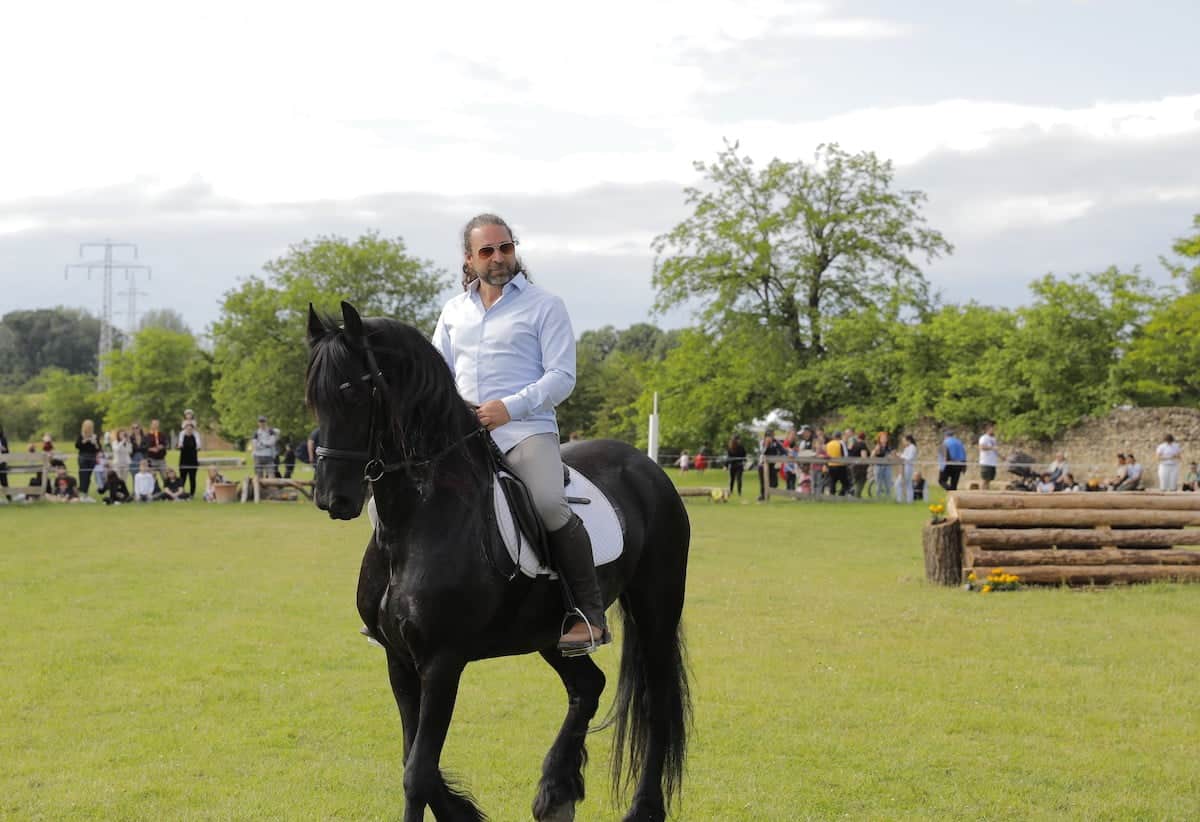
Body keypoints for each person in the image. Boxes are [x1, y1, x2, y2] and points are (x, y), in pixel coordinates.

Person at [432, 213, 606, 655]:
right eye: (487, 250)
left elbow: (562, 377)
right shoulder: (453, 311)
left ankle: (588, 614)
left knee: (549, 504)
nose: (498, 257)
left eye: (505, 247)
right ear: (469, 259)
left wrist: (508, 408)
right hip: (463, 434)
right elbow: (438, 375)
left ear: (515, 250)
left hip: (525, 430)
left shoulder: (545, 305)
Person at [75, 419, 102, 497]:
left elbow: (98, 448)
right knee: (83, 475)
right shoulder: (81, 435)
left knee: (88, 476)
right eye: (88, 426)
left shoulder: (95, 436)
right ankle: (82, 492)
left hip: (92, 458)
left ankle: (85, 492)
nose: (89, 428)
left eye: (90, 427)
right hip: (83, 457)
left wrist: (95, 443)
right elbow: (77, 445)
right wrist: (85, 440)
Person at [177, 420, 201, 497]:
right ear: (185, 429)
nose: (189, 430)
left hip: (193, 461)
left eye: (191, 429)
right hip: (183, 461)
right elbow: (179, 447)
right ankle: (181, 493)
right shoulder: (182, 437)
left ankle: (192, 494)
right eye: (187, 428)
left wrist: (198, 447)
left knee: (192, 478)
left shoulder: (195, 437)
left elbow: (198, 447)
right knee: (182, 478)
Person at [825, 430, 851, 496]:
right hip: (840, 465)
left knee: (832, 482)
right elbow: (845, 454)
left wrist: (826, 465)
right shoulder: (841, 443)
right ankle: (843, 494)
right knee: (845, 482)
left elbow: (826, 454)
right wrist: (847, 463)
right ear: (840, 436)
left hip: (831, 465)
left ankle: (832, 495)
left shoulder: (828, 444)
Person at [872, 431, 895, 502]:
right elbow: (872, 457)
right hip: (878, 467)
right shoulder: (877, 446)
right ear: (879, 439)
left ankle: (888, 499)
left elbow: (893, 456)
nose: (884, 439)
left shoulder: (889, 447)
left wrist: (892, 456)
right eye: (882, 438)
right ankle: (878, 499)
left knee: (888, 484)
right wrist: (875, 451)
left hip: (887, 467)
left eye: (885, 437)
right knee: (879, 484)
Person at [977, 422, 999, 491]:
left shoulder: (993, 439)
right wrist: (991, 448)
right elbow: (981, 447)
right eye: (992, 428)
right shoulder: (984, 438)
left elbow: (995, 450)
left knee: (989, 480)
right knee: (985, 479)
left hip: (993, 462)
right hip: (986, 462)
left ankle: (987, 492)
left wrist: (1002, 457)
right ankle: (982, 494)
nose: (994, 430)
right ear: (988, 429)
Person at [847, 430, 870, 496]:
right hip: (860, 467)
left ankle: (852, 494)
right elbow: (864, 456)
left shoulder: (854, 444)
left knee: (855, 481)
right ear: (864, 438)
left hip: (853, 466)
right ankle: (857, 495)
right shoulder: (862, 444)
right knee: (862, 480)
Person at [898, 434, 918, 503]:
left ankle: (900, 500)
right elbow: (904, 456)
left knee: (899, 483)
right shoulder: (907, 448)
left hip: (908, 467)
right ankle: (909, 500)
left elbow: (909, 458)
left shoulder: (912, 447)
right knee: (908, 484)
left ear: (908, 440)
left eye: (904, 441)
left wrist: (901, 455)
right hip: (905, 467)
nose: (903, 442)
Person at [0, 423, 10, 501]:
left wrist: (4, 449)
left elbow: (7, 452)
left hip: (1, 464)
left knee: (4, 482)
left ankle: (9, 499)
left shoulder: (3, 439)